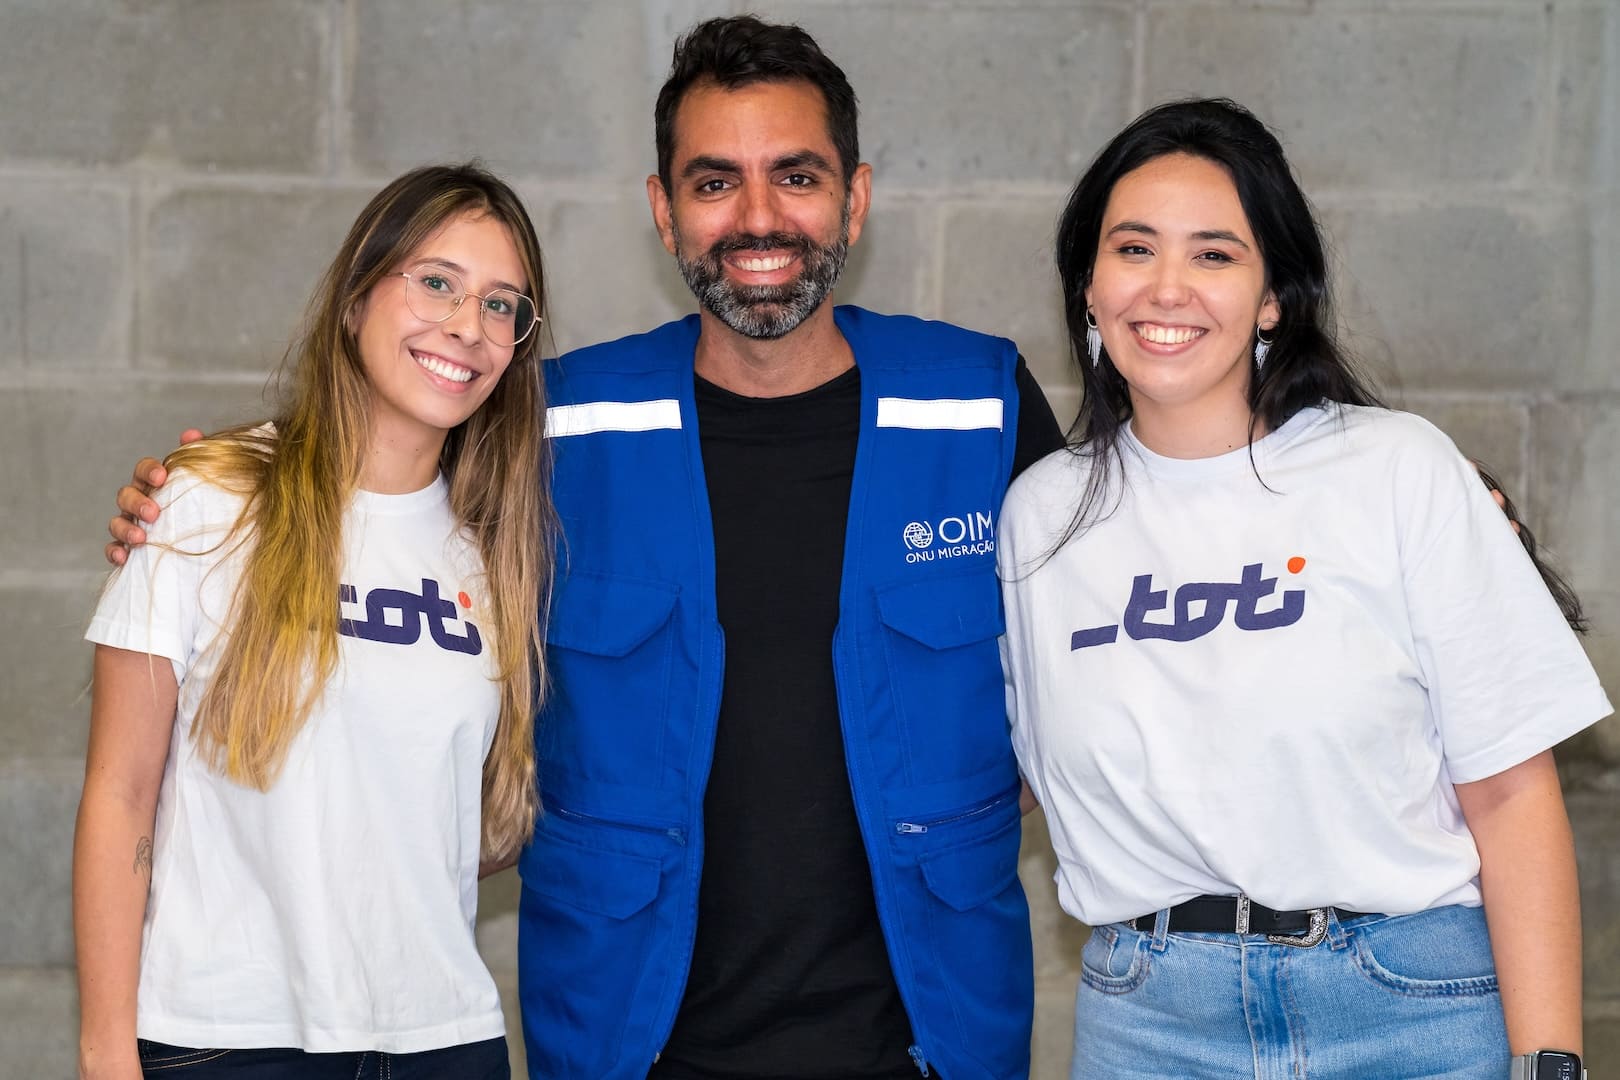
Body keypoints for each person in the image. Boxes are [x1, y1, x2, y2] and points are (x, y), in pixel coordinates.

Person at [996, 98, 1611, 1079]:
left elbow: (1510, 795)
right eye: (1134, 248)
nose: (1168, 288)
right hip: (1152, 1028)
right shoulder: (1038, 521)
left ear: (1274, 295)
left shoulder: (1397, 471)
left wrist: (1551, 1064)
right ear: (1088, 285)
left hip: (1415, 1015)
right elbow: (1006, 776)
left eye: (1214, 254)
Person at [74, 164, 553, 1080]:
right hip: (229, 1040)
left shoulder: (497, 553)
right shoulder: (208, 502)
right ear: (355, 297)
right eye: (437, 281)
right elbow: (119, 795)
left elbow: (458, 819)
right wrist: (106, 1054)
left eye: (503, 306)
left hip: (444, 1043)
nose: (467, 326)